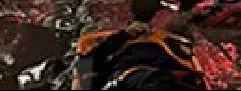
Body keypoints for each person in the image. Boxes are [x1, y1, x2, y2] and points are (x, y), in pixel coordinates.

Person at [72, 21, 207, 90]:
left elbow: (85, 61)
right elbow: (85, 61)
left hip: (140, 73)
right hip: (138, 75)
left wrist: (124, 35)